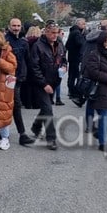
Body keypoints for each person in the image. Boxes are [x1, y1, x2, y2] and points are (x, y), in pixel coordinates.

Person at [28, 22, 66, 150]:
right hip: (41, 83)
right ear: (46, 32)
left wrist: (64, 66)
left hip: (54, 81)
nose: (55, 35)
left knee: (45, 108)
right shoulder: (38, 46)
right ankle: (51, 138)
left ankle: (36, 126)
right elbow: (34, 67)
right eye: (53, 33)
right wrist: (44, 84)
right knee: (48, 109)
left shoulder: (59, 44)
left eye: (57, 32)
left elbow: (63, 59)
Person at [83, 32, 107, 154]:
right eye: (105, 41)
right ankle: (103, 143)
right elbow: (93, 72)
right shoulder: (94, 55)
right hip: (100, 89)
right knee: (104, 115)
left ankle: (100, 133)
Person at [5, 18, 35, 146]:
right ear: (9, 26)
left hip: (19, 78)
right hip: (7, 77)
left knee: (13, 104)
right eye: (14, 25)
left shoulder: (24, 42)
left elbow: (28, 60)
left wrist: (31, 77)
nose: (16, 28)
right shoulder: (5, 41)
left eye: (18, 25)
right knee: (13, 105)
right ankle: (21, 134)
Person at [65, 18, 86, 95]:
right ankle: (74, 90)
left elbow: (67, 45)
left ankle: (71, 90)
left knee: (71, 75)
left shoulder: (72, 32)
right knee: (75, 75)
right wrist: (84, 39)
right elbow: (80, 43)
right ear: (79, 24)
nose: (85, 25)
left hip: (72, 56)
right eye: (83, 24)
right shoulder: (77, 33)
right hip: (76, 57)